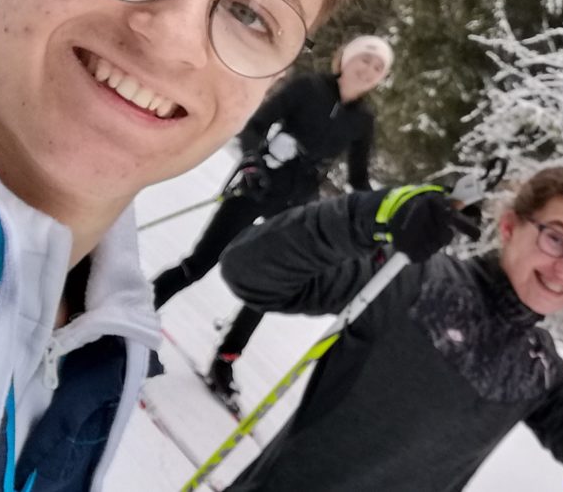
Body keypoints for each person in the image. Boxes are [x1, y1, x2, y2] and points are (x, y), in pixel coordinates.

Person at [0, 0, 365, 489]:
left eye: (252, 15)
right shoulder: (313, 93)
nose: (175, 40)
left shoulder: (107, 331)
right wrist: (261, 155)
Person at [218, 166, 563, 491]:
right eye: (556, 238)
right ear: (509, 226)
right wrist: (373, 216)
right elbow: (250, 270)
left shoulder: (540, 368)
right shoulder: (412, 279)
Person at [152, 33, 392, 404]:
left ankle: (225, 360)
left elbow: (359, 179)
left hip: (297, 205)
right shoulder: (309, 88)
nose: (368, 69)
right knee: (200, 262)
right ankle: (136, 311)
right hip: (261, 184)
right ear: (345, 58)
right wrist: (253, 160)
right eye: (365, 59)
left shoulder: (362, 120)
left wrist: (383, 213)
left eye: (377, 68)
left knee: (267, 287)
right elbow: (256, 124)